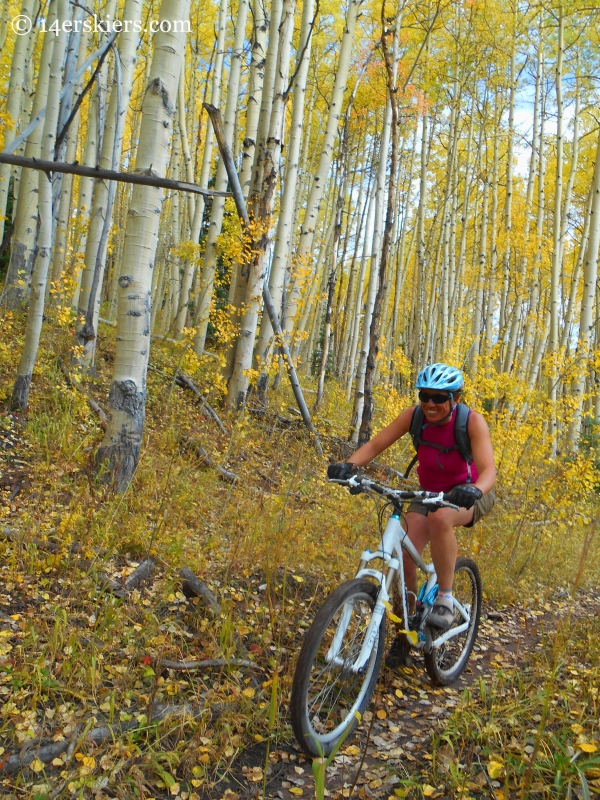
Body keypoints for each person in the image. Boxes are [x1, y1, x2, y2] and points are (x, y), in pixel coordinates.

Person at [327, 363, 496, 647]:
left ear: (455, 398)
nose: (430, 403)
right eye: (425, 396)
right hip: (428, 492)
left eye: (439, 398)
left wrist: (475, 490)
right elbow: (376, 445)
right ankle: (407, 631)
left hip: (470, 493)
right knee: (404, 556)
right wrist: (349, 466)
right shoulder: (414, 417)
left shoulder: (471, 422)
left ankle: (444, 598)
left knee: (441, 519)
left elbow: (489, 471)